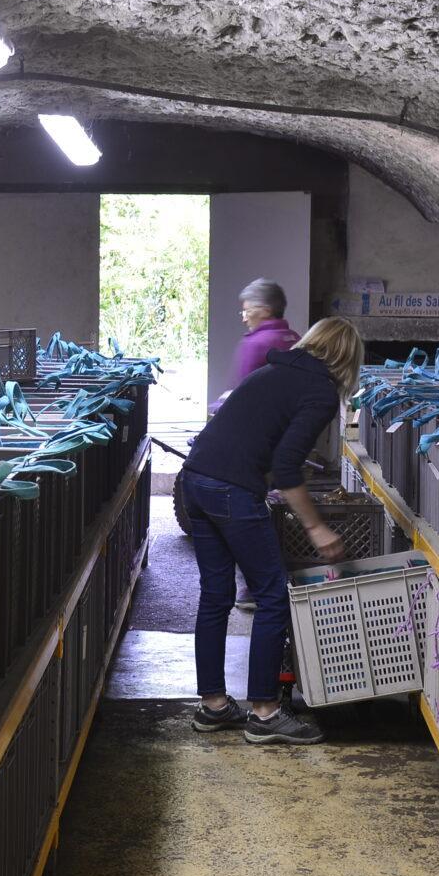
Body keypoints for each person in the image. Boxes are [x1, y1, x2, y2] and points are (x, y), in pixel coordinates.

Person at [179, 316, 365, 741]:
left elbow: (257, 444)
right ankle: (264, 712)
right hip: (230, 491)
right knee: (273, 596)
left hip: (196, 480)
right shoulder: (319, 391)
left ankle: (213, 706)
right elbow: (285, 469)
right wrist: (316, 527)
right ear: (346, 359)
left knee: (216, 596)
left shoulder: (272, 371)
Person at [228, 278, 297, 390]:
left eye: (248, 311)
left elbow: (244, 395)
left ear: (266, 311)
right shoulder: (296, 339)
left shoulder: (254, 344)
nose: (244, 319)